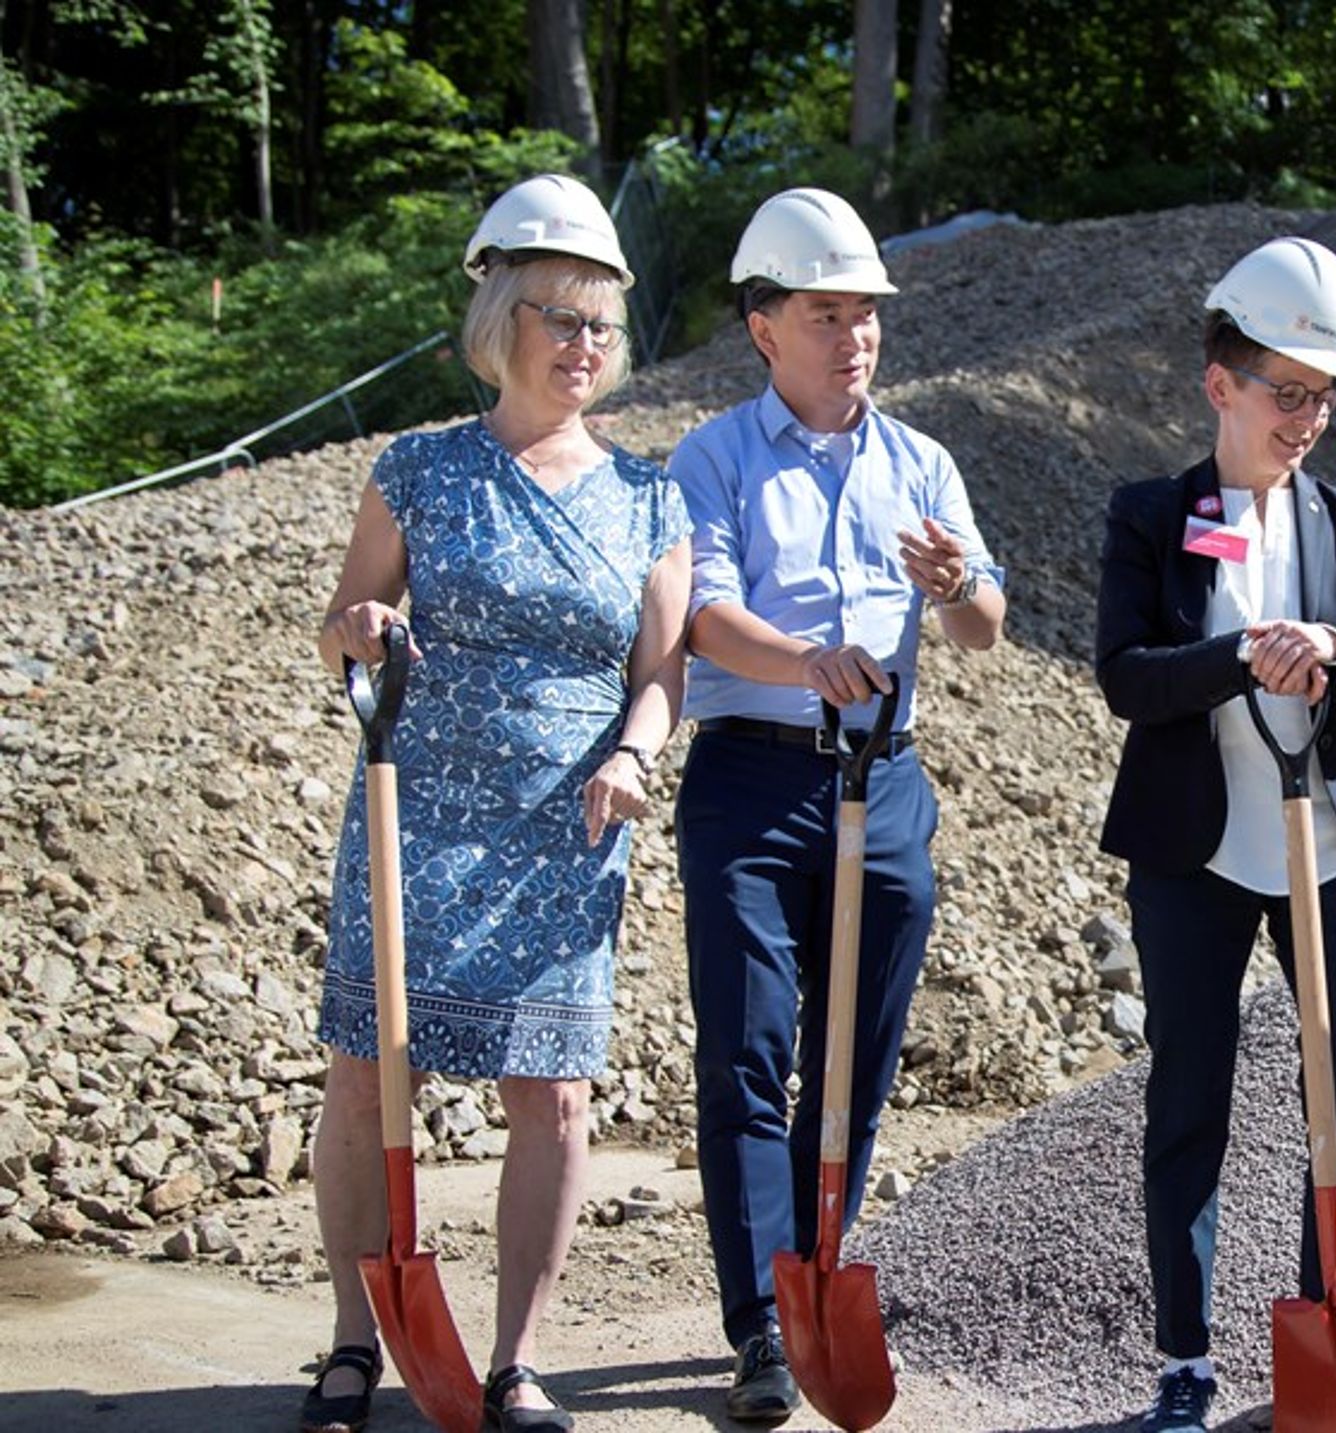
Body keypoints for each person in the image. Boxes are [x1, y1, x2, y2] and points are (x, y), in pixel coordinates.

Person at [305, 172, 690, 1433]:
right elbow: (346, 627)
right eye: (559, 319)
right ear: (502, 327)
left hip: (566, 823)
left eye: (599, 326)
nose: (583, 346)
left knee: (557, 1094)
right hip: (413, 809)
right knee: (367, 1078)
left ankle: (516, 1357)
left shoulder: (651, 497)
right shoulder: (415, 469)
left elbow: (661, 675)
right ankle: (356, 1343)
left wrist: (634, 753)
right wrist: (361, 628)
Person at [671, 186, 1006, 1425]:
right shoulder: (710, 455)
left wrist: (959, 579)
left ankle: (816, 1269)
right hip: (753, 779)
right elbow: (703, 613)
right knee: (752, 1051)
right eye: (827, 313)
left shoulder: (922, 461)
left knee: (856, 1059)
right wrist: (801, 659)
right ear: (765, 326)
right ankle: (760, 1322)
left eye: (866, 313)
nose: (854, 335)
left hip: (889, 777)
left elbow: (982, 630)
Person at [1093, 237, 1336, 1433]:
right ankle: (1184, 1360)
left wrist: (1330, 653)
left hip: (1334, 848)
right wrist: (1236, 655)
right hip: (1196, 853)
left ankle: (1330, 1326)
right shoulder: (1149, 515)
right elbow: (1125, 676)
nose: (1308, 418)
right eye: (1287, 391)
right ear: (1218, 383)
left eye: (1323, 396)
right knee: (1189, 1097)